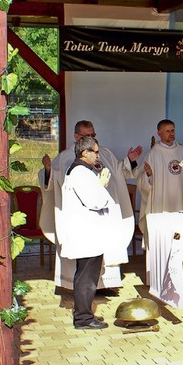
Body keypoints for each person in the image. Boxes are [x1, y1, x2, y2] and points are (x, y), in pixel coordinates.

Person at [39, 120, 142, 291]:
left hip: (104, 215)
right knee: (85, 255)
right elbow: (53, 182)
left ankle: (104, 284)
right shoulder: (65, 157)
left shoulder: (104, 153)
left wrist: (129, 161)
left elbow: (120, 172)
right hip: (83, 218)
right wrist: (49, 170)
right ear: (76, 136)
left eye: (93, 135)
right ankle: (80, 290)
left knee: (102, 248)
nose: (92, 138)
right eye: (87, 135)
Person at [59, 136, 120, 329]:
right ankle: (83, 319)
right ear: (85, 152)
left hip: (88, 234)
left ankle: (85, 314)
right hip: (86, 235)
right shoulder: (80, 173)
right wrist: (101, 186)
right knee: (86, 278)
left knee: (87, 276)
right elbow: (96, 201)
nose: (98, 155)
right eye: (96, 151)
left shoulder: (81, 171)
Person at [137, 119, 183, 237]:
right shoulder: (153, 154)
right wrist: (148, 175)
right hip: (162, 202)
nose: (171, 133)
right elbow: (142, 181)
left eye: (172, 130)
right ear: (159, 133)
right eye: (167, 131)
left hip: (181, 199)